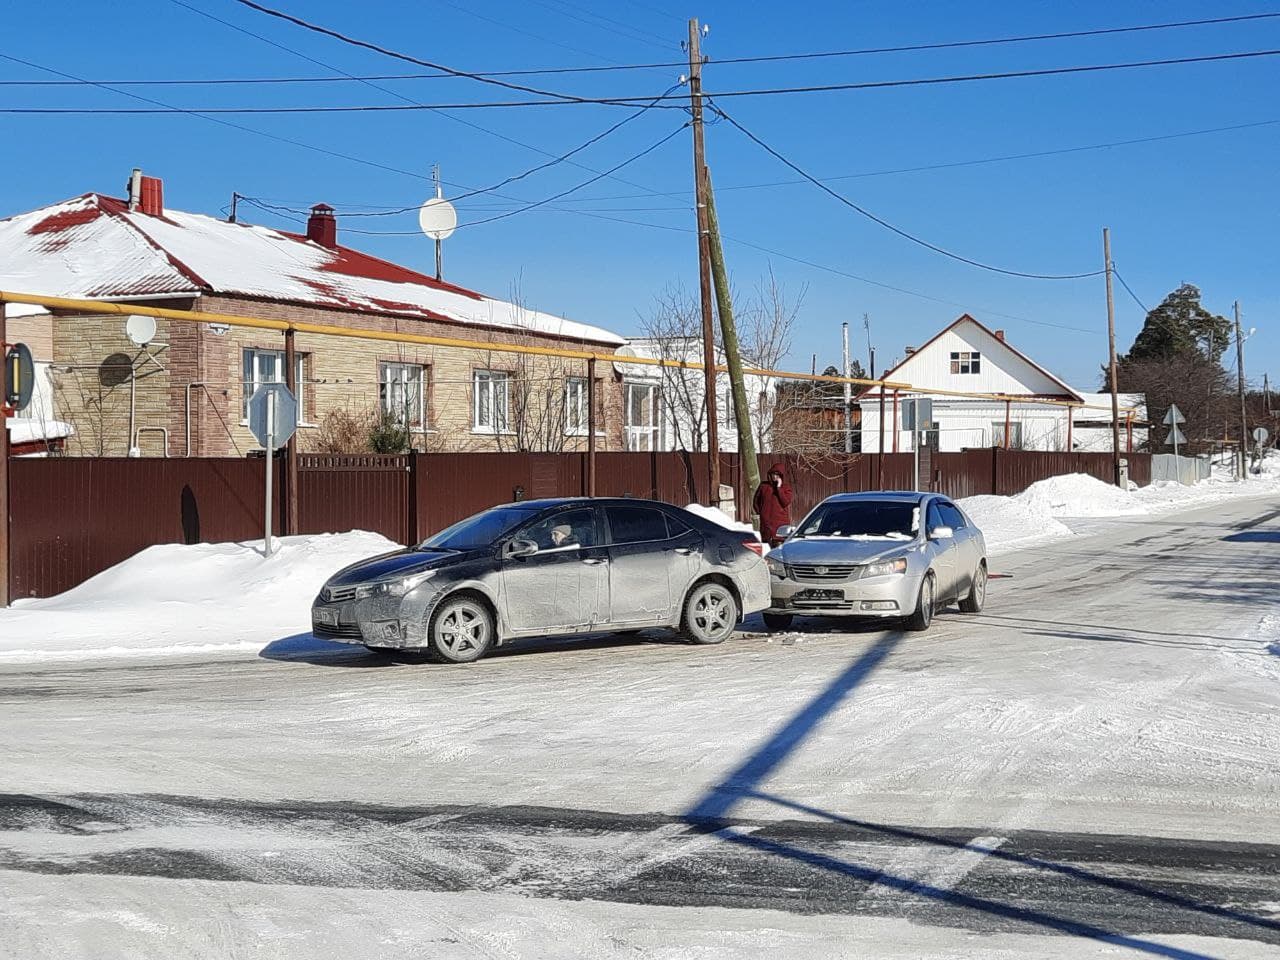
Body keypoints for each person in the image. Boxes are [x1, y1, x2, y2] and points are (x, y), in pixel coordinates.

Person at [753, 463, 793, 547]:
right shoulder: (764, 486)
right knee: (765, 550)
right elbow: (756, 500)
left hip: (780, 525)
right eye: (773, 474)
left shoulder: (786, 488)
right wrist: (761, 513)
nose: (775, 476)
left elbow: (785, 502)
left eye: (777, 474)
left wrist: (779, 488)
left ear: (781, 476)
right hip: (766, 525)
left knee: (778, 550)